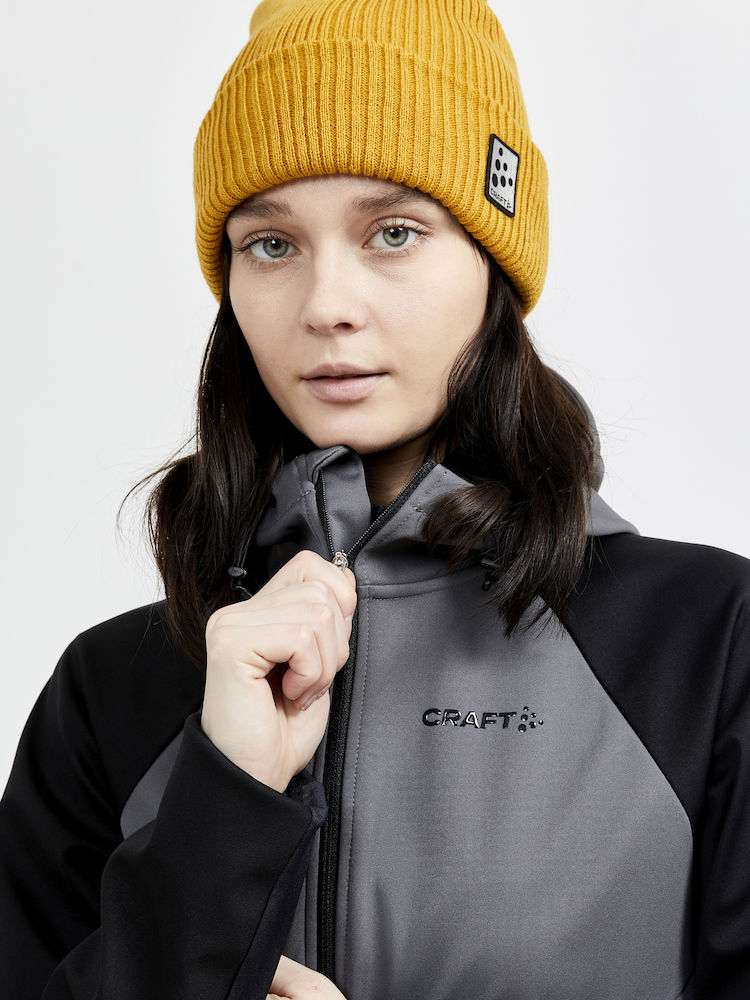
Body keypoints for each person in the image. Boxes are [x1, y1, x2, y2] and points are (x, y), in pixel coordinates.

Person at [2, 1, 749, 998]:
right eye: (271, 245)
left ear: (493, 258)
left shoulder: (705, 643)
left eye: (394, 232)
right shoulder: (111, 689)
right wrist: (223, 799)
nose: (327, 305)